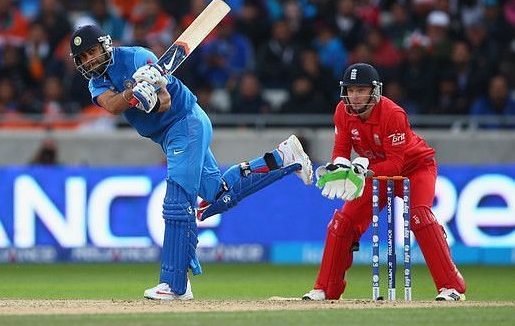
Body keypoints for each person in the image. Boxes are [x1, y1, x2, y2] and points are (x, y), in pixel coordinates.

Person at [70, 24, 313, 300]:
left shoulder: (138, 57)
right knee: (217, 194)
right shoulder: (96, 82)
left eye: (92, 52)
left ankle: (174, 284)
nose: (89, 60)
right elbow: (113, 106)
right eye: (83, 57)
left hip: (185, 124)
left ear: (105, 45)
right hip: (171, 135)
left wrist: (150, 93)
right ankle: (283, 158)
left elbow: (164, 101)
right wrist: (134, 94)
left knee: (176, 202)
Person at [303, 63, 466, 301]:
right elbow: (340, 150)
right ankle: (326, 289)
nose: (355, 96)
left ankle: (452, 287)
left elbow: (396, 165)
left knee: (419, 215)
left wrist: (362, 169)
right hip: (370, 173)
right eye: (350, 90)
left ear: (374, 91)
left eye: (361, 90)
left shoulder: (393, 114)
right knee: (343, 223)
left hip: (414, 169)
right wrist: (340, 169)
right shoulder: (342, 111)